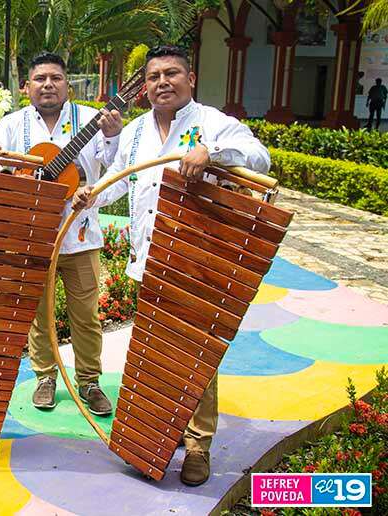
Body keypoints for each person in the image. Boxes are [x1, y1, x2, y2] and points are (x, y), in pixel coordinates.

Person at [73, 45, 270, 486]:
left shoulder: (211, 122)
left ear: (191, 78)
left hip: (196, 259)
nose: (162, 82)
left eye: (172, 74)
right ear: (144, 87)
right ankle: (167, 428)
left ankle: (198, 445)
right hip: (149, 257)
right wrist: (91, 194)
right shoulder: (138, 130)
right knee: (156, 350)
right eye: (154, 76)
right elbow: (118, 180)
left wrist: (212, 151)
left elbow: (259, 157)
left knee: (196, 352)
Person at [0, 52, 123, 416]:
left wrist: (114, 136)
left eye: (55, 78)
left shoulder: (93, 120)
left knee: (86, 315)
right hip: (31, 239)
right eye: (40, 78)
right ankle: (45, 377)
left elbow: (117, 165)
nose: (47, 84)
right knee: (38, 313)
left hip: (81, 235)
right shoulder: (11, 125)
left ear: (67, 84)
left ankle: (89, 381)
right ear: (26, 86)